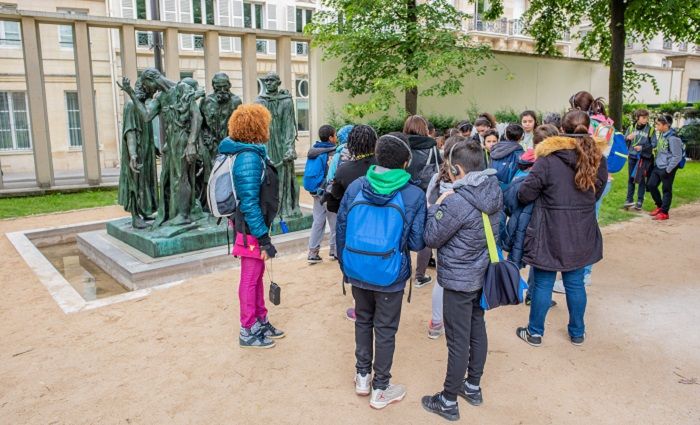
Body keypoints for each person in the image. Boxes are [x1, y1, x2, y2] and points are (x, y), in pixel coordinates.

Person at [336, 134, 427, 409]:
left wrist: (346, 265)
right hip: (390, 274)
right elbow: (416, 242)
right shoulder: (413, 194)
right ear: (406, 162)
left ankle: (362, 376)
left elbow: (341, 230)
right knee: (385, 329)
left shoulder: (355, 187)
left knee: (363, 320)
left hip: (357, 268)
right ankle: (381, 387)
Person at [421, 139, 503, 421]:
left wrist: (437, 206)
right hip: (481, 274)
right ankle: (473, 385)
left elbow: (430, 237)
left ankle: (447, 399)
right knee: (477, 329)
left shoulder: (457, 200)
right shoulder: (492, 190)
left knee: (457, 340)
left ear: (457, 169)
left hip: (458, 279)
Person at [515, 110, 607, 348]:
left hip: (550, 230)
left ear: (560, 128)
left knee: (544, 282)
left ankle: (535, 332)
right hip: (581, 229)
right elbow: (597, 190)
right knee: (575, 282)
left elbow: (526, 193)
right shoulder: (596, 157)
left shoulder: (548, 159)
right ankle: (577, 332)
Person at [218, 104, 283, 349]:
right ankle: (247, 329)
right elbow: (249, 202)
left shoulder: (252, 153)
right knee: (250, 278)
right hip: (250, 230)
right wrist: (264, 238)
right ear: (256, 126)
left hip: (253, 227)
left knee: (256, 277)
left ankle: (260, 320)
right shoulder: (248, 158)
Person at [323, 125, 378, 323]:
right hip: (381, 226)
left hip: (354, 229)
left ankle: (361, 308)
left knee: (356, 265)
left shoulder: (344, 170)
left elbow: (333, 204)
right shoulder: (383, 167)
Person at [424, 136, 462, 339]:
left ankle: (437, 323)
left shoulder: (437, 177)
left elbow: (427, 204)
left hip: (443, 235)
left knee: (441, 279)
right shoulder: (475, 179)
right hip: (467, 238)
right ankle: (458, 325)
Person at [403, 115, 442, 288]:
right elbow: (439, 170)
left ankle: (401, 271)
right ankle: (420, 275)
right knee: (425, 234)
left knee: (401, 231)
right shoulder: (431, 146)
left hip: (403, 191)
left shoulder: (402, 145)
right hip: (425, 193)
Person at [305, 125, 338, 264]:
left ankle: (313, 252)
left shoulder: (314, 151)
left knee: (318, 221)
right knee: (334, 221)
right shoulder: (331, 153)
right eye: (335, 135)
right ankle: (335, 250)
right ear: (330, 138)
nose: (336, 138)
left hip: (314, 191)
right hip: (326, 191)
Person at [647, 114, 684, 221]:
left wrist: (668, 169)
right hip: (658, 166)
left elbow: (677, 156)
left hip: (668, 168)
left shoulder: (673, 138)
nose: (656, 126)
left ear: (665, 125)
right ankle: (659, 206)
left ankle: (664, 212)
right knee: (651, 185)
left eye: (658, 124)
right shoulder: (662, 135)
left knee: (666, 190)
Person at [623, 109, 655, 210]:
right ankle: (629, 200)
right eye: (643, 118)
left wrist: (642, 147)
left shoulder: (650, 130)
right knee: (631, 179)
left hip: (643, 158)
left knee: (641, 179)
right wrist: (628, 138)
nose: (646, 120)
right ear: (637, 118)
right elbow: (623, 140)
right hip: (632, 156)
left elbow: (654, 144)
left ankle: (640, 201)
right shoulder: (631, 128)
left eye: (647, 118)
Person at [490, 124, 525, 188]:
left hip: (493, 187)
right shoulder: (521, 154)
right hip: (510, 189)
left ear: (505, 136)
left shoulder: (495, 149)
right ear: (521, 137)